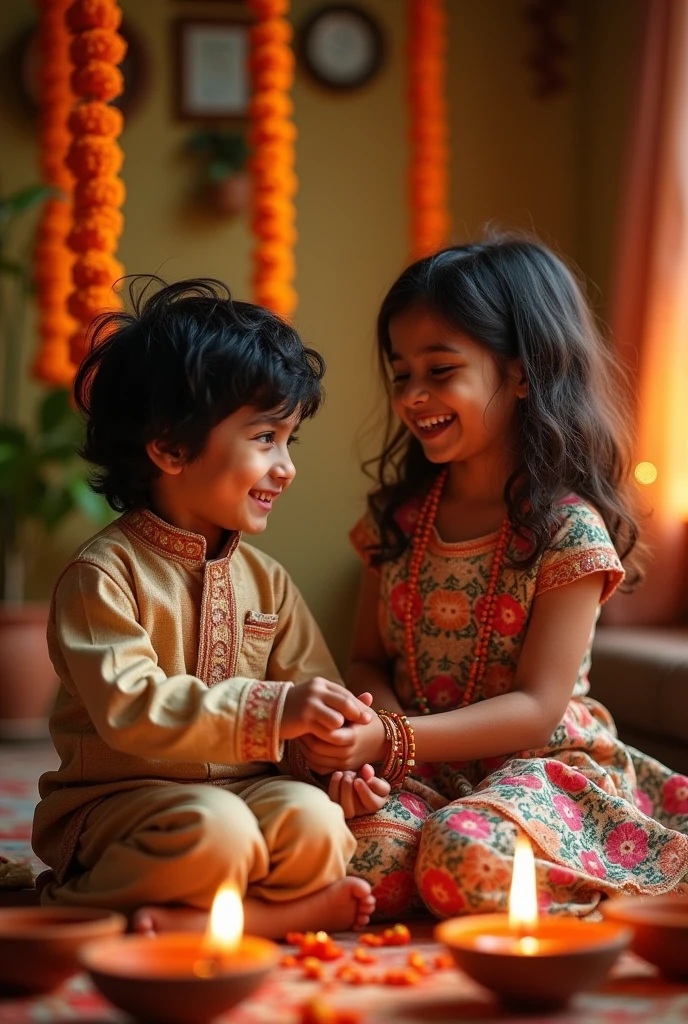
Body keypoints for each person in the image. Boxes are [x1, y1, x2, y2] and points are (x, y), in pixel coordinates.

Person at [294, 238, 688, 920]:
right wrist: (374, 739)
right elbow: (366, 656)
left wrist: (392, 737)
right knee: (355, 859)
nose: (414, 396)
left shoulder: (568, 529)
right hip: (421, 765)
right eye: (400, 374)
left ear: (522, 373)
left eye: (440, 371)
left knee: (459, 858)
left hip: (541, 766)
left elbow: (538, 705)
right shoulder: (397, 519)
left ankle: (606, 863)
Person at [32, 276, 388, 938]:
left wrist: (333, 759)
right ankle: (75, 909)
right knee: (216, 835)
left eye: (290, 441)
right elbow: (132, 710)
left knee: (317, 825)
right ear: (169, 448)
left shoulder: (269, 582)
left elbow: (311, 707)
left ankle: (189, 921)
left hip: (244, 795)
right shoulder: (101, 576)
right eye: (264, 438)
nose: (285, 467)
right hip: (120, 805)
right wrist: (278, 710)